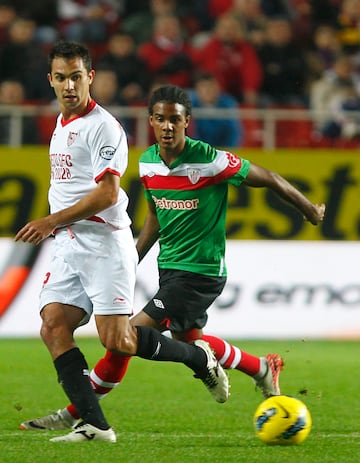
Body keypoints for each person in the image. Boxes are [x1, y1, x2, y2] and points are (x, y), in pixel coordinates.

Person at [19, 85, 326, 434]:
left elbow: (268, 178)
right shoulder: (148, 162)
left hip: (202, 271)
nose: (167, 126)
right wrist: (132, 258)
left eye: (175, 120)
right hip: (169, 269)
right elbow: (154, 216)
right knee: (186, 341)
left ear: (187, 122)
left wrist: (310, 209)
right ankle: (260, 368)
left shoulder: (210, 159)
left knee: (126, 336)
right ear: (151, 121)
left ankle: (78, 413)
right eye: (161, 119)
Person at [14, 42, 230, 443]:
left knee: (119, 339)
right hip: (69, 244)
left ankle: (200, 357)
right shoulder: (60, 126)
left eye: (76, 76)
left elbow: (108, 194)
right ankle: (95, 425)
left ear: (89, 77)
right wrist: (57, 227)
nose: (69, 85)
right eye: (61, 77)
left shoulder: (103, 127)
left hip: (103, 244)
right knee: (53, 325)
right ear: (51, 80)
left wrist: (48, 221)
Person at [188, 71, 243, 147]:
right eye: (203, 87)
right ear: (197, 90)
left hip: (224, 149)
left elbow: (234, 132)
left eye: (210, 86)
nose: (207, 90)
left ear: (217, 87)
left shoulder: (228, 104)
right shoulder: (190, 104)